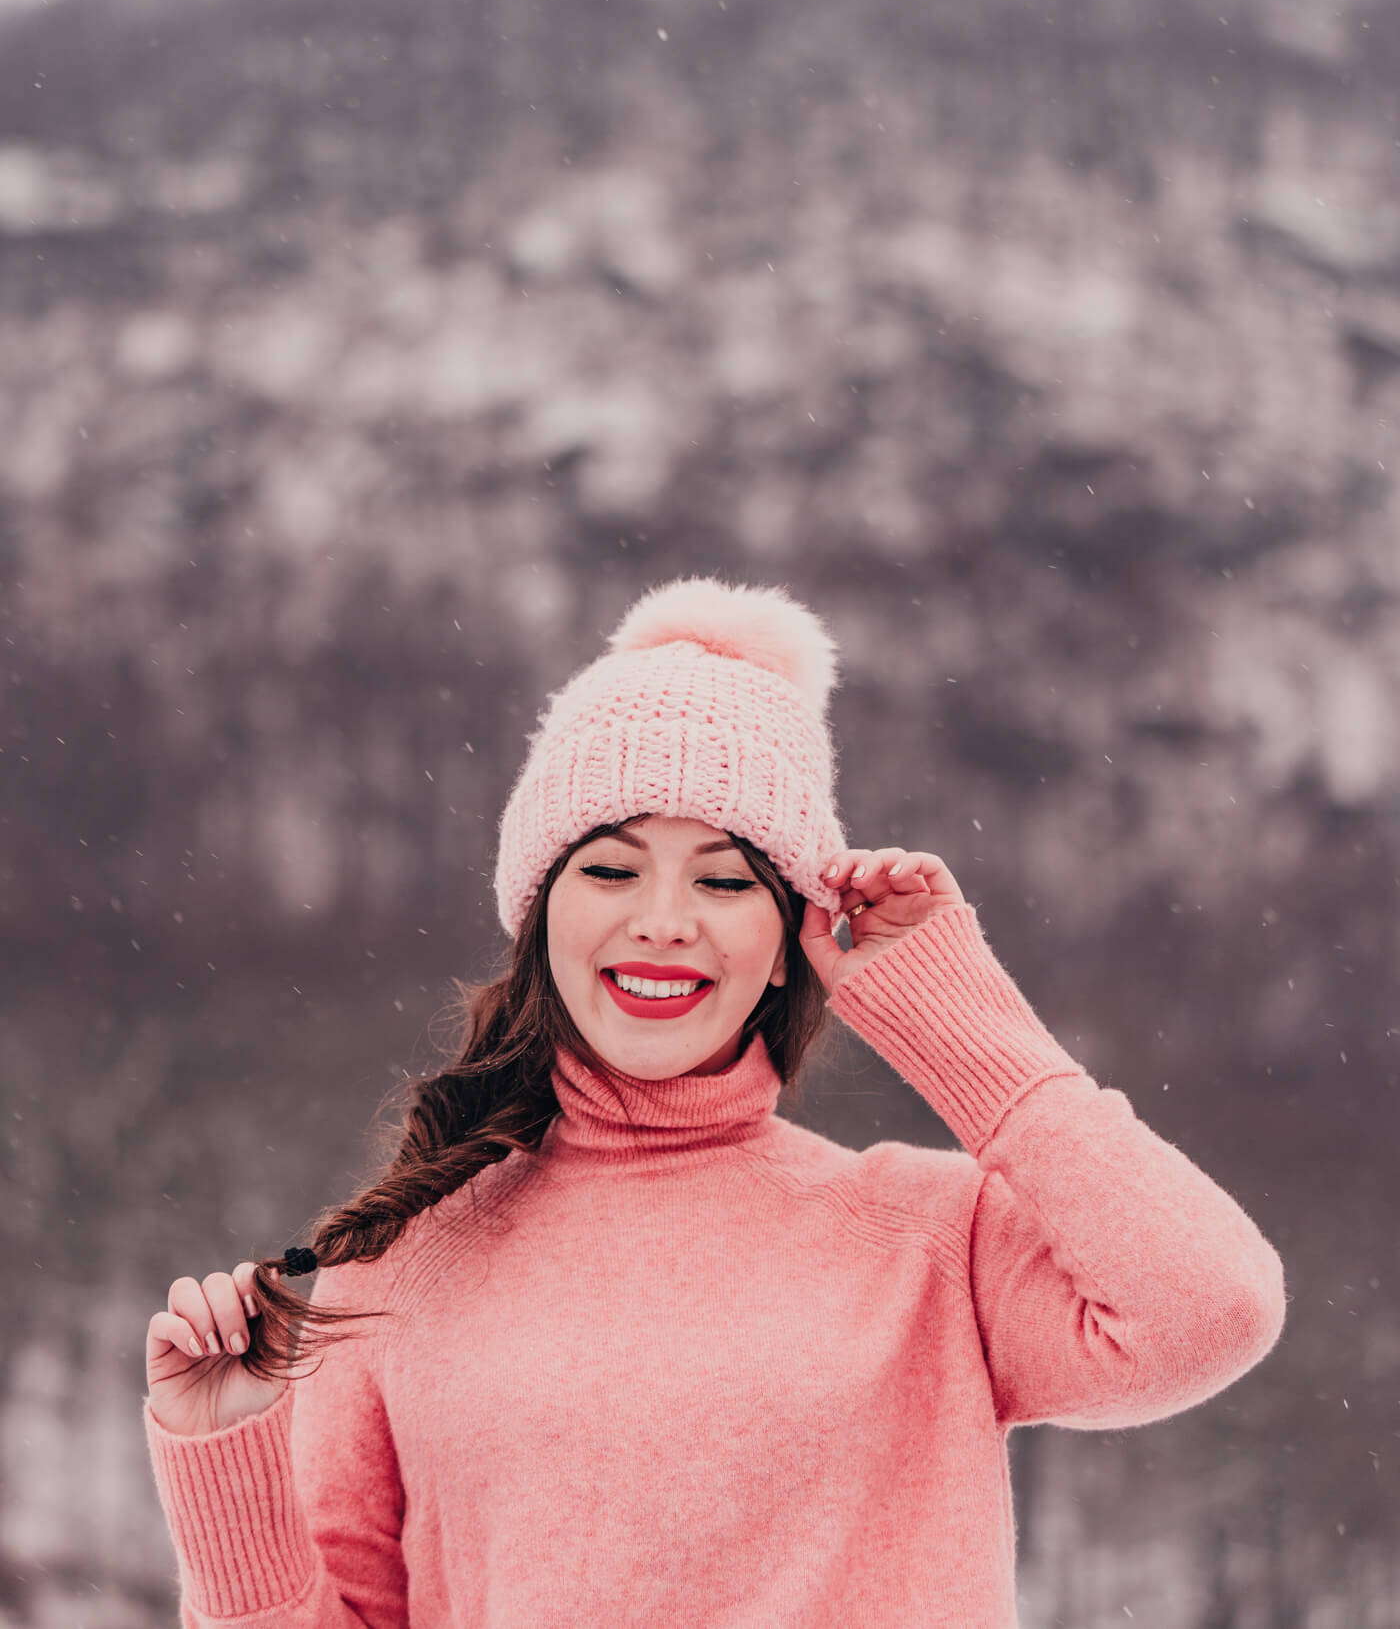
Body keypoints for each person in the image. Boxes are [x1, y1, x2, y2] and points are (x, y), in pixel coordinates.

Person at [143, 575, 1286, 1628]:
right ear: (538, 916)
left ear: (788, 941)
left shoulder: (928, 1239)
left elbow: (1207, 1308)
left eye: (725, 879)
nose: (663, 919)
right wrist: (220, 1459)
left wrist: (953, 1019)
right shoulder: (403, 1261)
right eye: (608, 868)